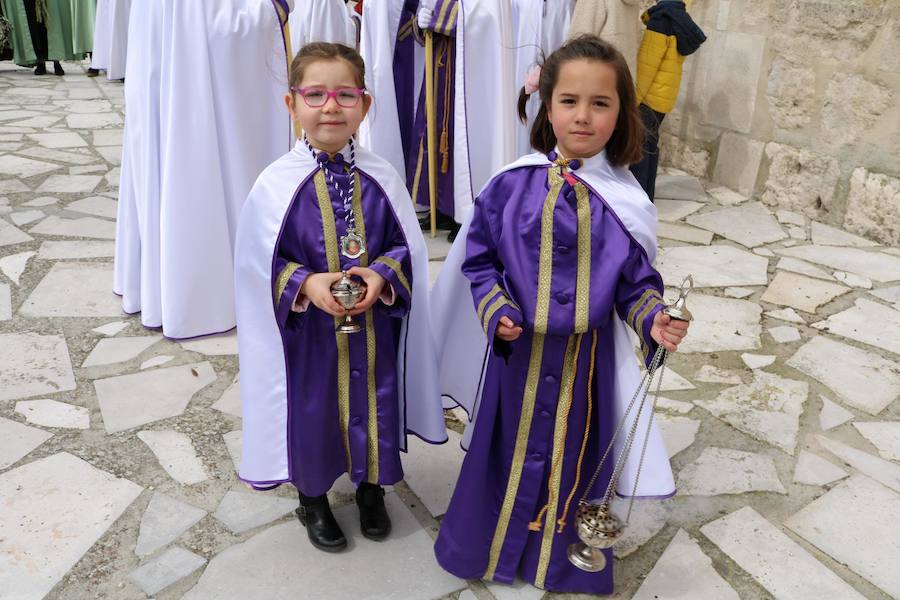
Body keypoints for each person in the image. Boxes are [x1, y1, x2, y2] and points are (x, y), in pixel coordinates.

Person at [431, 35, 689, 594]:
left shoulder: (627, 202)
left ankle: (558, 561)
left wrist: (653, 320)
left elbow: (636, 284)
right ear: (547, 106)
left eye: (601, 103)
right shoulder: (509, 186)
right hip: (517, 360)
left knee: (575, 463)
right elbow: (478, 263)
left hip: (585, 367)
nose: (583, 115)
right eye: (569, 100)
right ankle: (487, 548)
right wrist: (494, 307)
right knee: (503, 455)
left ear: (621, 113)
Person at [234, 42, 447, 554]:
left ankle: (372, 488)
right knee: (314, 412)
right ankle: (313, 498)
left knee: (375, 405)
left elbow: (405, 249)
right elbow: (258, 263)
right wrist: (305, 284)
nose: (331, 106)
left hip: (374, 331)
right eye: (316, 94)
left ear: (365, 105)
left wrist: (380, 276)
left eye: (345, 94)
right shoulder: (274, 185)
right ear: (292, 105)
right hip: (308, 338)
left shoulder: (383, 177)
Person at [113, 0, 293, 339]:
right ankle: (200, 295)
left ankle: (160, 283)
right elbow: (225, 30)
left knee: (165, 146)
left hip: (160, 50)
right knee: (192, 151)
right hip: (193, 76)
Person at [629, 0, 705, 201]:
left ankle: (637, 198)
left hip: (649, 97)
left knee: (638, 148)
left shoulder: (661, 20)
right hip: (664, 96)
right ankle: (646, 195)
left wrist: (632, 100)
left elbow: (647, 66)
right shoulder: (680, 18)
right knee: (650, 145)